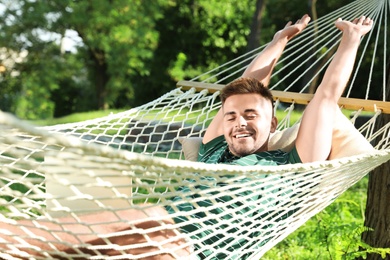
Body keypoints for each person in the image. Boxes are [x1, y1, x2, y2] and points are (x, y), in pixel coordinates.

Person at [0, 15, 373, 259]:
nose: (239, 122)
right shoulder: (212, 150)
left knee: (126, 222)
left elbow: (326, 97)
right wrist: (277, 42)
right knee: (71, 228)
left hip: (187, 247)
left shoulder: (289, 163)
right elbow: (247, 89)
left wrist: (351, 41)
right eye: (231, 116)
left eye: (251, 117)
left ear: (274, 124)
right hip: (152, 235)